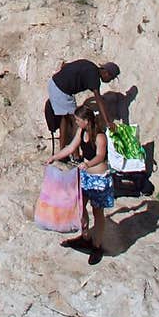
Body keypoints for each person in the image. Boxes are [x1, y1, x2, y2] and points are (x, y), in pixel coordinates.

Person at [47, 103, 112, 263]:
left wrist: (88, 164)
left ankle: (96, 245)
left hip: (98, 179)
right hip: (86, 177)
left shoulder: (99, 136)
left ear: (86, 120)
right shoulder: (81, 131)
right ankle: (85, 236)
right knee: (81, 207)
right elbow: (71, 147)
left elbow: (100, 155)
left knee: (98, 212)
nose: (76, 122)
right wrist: (55, 157)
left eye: (77, 120)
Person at [44, 59, 120, 151]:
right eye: (111, 79)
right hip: (61, 89)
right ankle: (69, 153)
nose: (109, 81)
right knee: (75, 120)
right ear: (106, 73)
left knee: (67, 118)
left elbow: (66, 65)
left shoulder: (90, 65)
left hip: (54, 83)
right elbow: (98, 100)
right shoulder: (94, 77)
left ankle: (64, 151)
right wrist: (107, 122)